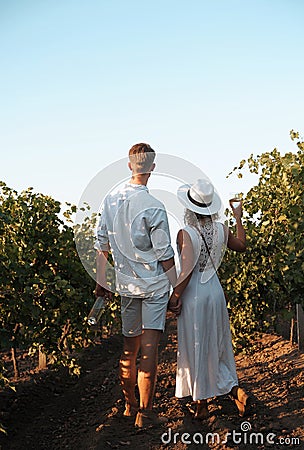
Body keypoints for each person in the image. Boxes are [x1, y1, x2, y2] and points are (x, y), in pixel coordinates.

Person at [94, 143, 176, 428]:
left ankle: (130, 407)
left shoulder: (110, 199)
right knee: (150, 348)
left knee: (129, 349)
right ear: (152, 167)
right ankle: (146, 412)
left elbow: (101, 244)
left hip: (126, 287)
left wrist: (101, 282)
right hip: (153, 286)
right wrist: (175, 288)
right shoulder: (154, 206)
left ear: (130, 165)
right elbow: (165, 255)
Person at [169, 177, 249, 419]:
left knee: (196, 345)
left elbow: (187, 269)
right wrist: (237, 217)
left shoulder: (186, 233)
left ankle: (201, 404)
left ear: (190, 207)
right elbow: (242, 245)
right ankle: (233, 389)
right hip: (215, 291)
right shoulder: (222, 229)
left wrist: (175, 295)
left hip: (195, 295)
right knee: (217, 343)